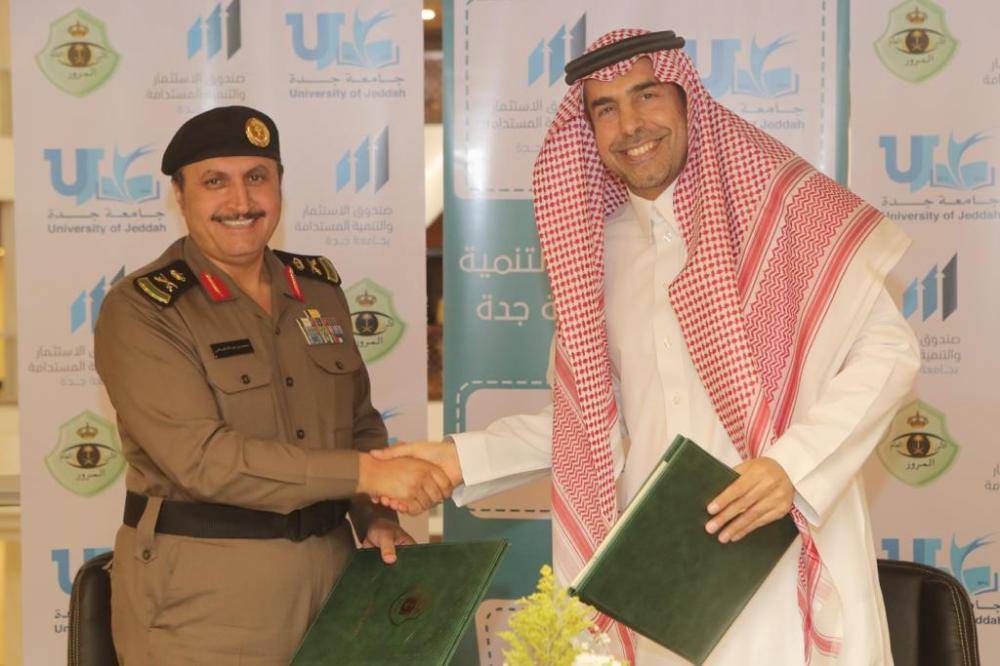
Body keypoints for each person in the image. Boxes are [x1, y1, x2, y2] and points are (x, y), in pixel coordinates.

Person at [374, 30, 919, 665]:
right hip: (663, 576)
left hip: (784, 546)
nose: (630, 124)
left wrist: (791, 466)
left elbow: (889, 353)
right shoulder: (599, 251)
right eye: (605, 108)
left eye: (647, 95)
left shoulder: (786, 213)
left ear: (687, 100)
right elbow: (589, 420)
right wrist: (457, 459)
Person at [94, 105, 453, 664]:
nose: (241, 202)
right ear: (180, 195)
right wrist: (368, 473)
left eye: (257, 177)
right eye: (215, 182)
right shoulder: (143, 310)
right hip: (204, 599)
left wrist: (374, 515)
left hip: (336, 580)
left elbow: (357, 420)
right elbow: (203, 460)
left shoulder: (317, 290)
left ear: (280, 185)